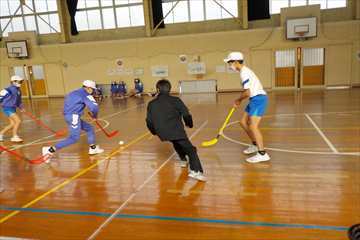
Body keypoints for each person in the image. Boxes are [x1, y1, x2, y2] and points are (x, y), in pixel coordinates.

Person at [146, 79, 206, 181]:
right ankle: (195, 171)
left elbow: (149, 121)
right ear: (169, 89)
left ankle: (183, 159)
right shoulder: (176, 100)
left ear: (157, 90)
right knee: (191, 150)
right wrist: (189, 124)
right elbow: (186, 114)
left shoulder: (151, 104)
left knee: (175, 141)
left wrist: (154, 132)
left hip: (162, 133)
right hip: (176, 130)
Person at [224, 52, 270, 163]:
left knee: (253, 126)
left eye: (230, 63)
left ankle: (262, 153)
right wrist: (239, 99)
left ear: (235, 62)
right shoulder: (244, 71)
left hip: (258, 99)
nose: (229, 66)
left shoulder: (244, 73)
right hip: (254, 99)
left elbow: (248, 92)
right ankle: (255, 144)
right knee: (243, 122)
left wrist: (238, 100)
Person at [42, 80, 104, 162]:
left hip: (69, 116)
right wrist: (95, 116)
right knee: (74, 138)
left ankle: (93, 148)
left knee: (89, 128)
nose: (93, 91)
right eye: (93, 89)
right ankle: (50, 150)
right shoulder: (86, 94)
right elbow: (94, 107)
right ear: (88, 88)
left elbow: (67, 103)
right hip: (74, 117)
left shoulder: (73, 92)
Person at [0, 75, 25, 142]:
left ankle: (1, 134)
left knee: (12, 124)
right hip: (7, 108)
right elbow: (0, 97)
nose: (20, 83)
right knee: (18, 121)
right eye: (19, 81)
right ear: (13, 82)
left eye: (21, 81)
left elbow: (19, 101)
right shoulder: (7, 90)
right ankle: (14, 136)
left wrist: (21, 108)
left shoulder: (18, 90)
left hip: (13, 108)